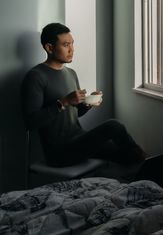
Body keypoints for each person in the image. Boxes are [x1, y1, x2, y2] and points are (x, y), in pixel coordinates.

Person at [21, 23, 146, 168]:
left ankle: (147, 174)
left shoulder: (71, 74)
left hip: (79, 140)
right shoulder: (35, 77)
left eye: (72, 44)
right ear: (49, 48)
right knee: (114, 126)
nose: (72, 50)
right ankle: (145, 160)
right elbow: (31, 122)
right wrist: (63, 102)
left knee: (124, 154)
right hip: (59, 153)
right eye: (66, 45)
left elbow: (76, 113)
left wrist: (88, 103)